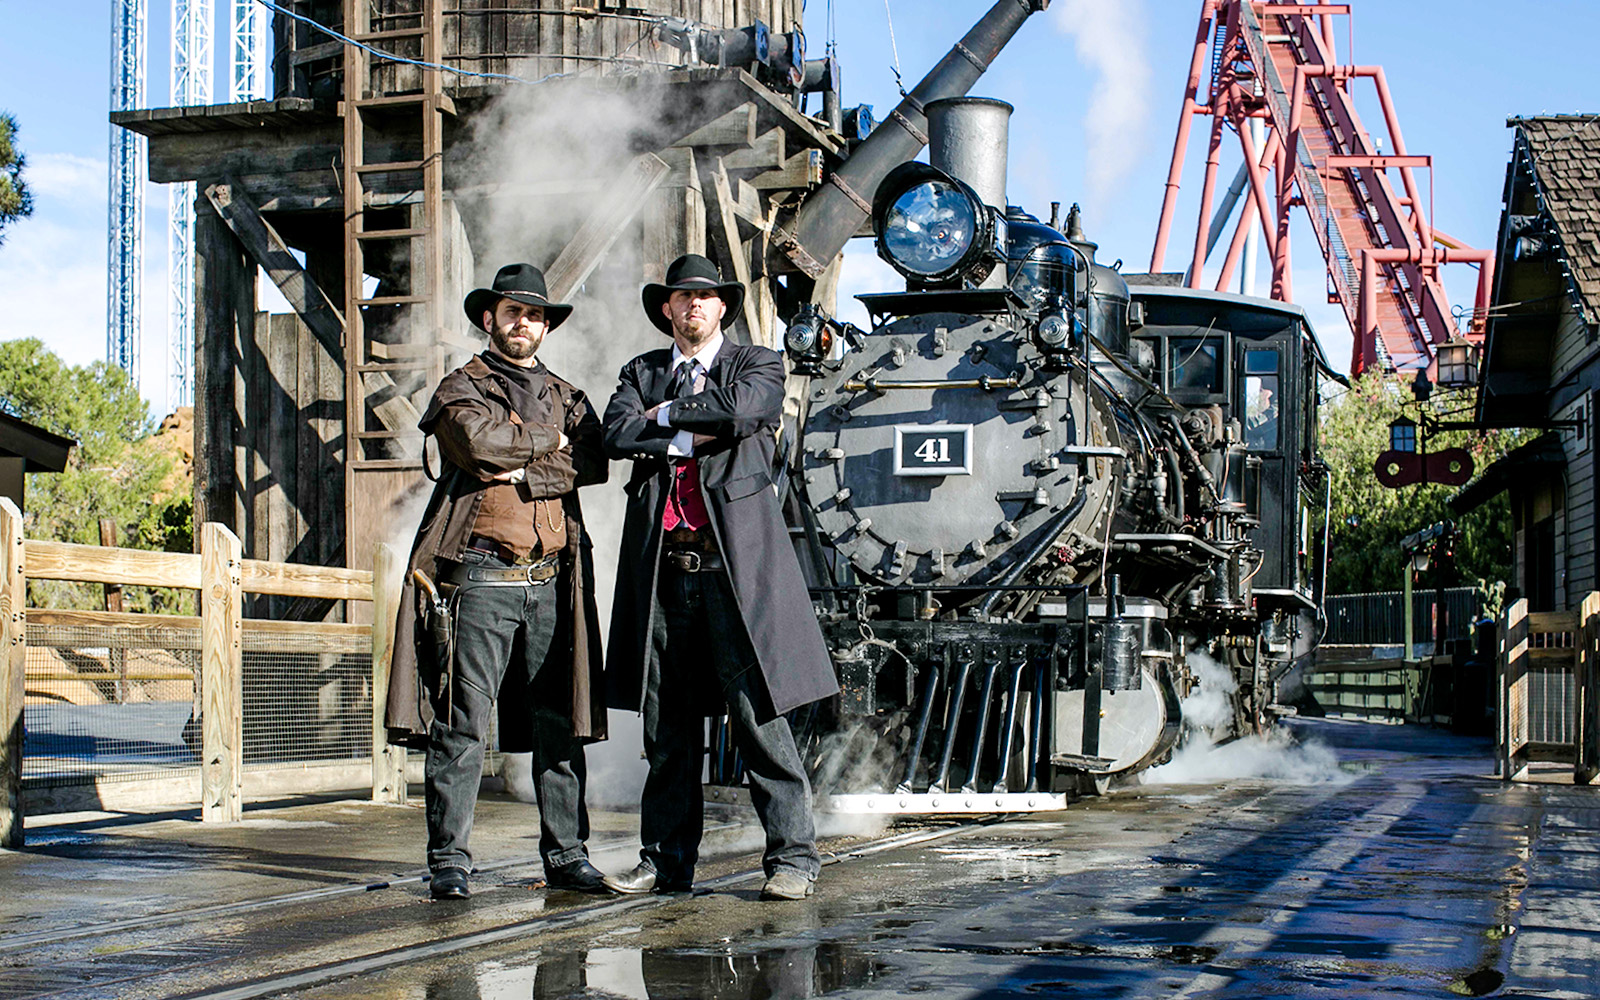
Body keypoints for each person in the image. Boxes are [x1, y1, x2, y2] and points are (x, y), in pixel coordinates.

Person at [600, 254, 840, 901]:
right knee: (665, 727)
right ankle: (665, 861)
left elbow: (742, 412)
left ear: (722, 308)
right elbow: (616, 432)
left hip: (735, 573)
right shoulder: (641, 371)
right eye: (682, 298)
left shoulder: (757, 363)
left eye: (705, 297)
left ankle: (793, 859)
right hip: (664, 572)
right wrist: (688, 424)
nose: (694, 307)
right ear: (667, 309)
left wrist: (665, 419)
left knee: (758, 716)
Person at [384, 262, 610, 900]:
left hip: (553, 579)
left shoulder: (569, 393)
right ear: (489, 318)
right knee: (462, 723)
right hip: (480, 578)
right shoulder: (463, 386)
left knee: (558, 724)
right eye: (513, 312)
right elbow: (478, 445)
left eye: (534, 314)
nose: (523, 323)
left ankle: (567, 855)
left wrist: (532, 470)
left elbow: (593, 458)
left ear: (545, 326)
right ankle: (449, 861)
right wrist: (547, 438)